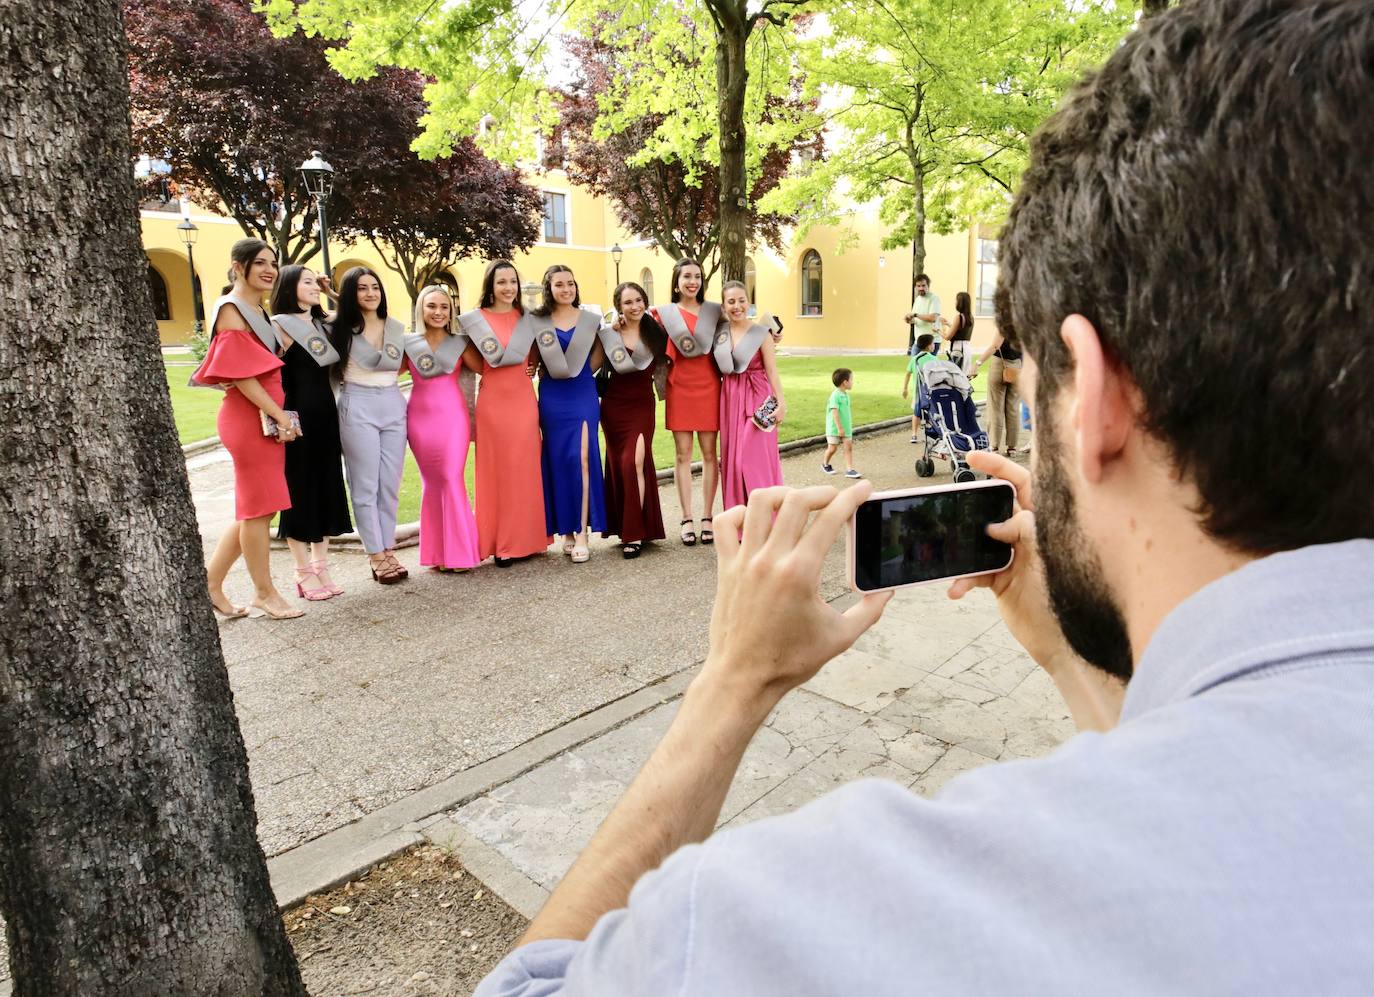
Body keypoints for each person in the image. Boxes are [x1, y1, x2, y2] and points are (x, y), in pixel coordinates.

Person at [473, 2, 1374, 993]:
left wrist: (731, 686)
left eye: (1027, 365)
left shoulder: (817, 914)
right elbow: (1221, 808)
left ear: (1097, 398)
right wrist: (1073, 665)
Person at [194, 239, 303, 621]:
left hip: (263, 417)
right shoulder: (231, 309)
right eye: (260, 263)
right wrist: (281, 415)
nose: (270, 270)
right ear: (238, 267)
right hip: (248, 418)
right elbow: (242, 377)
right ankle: (264, 592)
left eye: (273, 263)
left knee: (255, 509)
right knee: (259, 510)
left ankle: (210, 584)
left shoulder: (258, 309)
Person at [269, 265, 351, 601]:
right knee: (299, 489)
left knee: (326, 485)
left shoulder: (321, 324)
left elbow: (349, 317)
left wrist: (331, 293)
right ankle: (302, 572)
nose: (315, 287)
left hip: (325, 415)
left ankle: (322, 566)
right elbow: (269, 377)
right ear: (289, 286)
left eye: (316, 283)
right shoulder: (278, 326)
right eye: (308, 283)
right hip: (295, 417)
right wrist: (277, 421)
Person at [464, 260, 550, 567]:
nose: (508, 288)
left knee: (525, 469)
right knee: (496, 473)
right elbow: (470, 358)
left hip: (523, 401)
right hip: (493, 404)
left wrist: (535, 363)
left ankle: (528, 539)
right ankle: (501, 544)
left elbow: (539, 349)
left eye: (512, 281)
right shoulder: (476, 320)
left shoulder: (528, 318)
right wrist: (488, 370)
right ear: (491, 286)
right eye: (502, 282)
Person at [330, 267, 409, 584]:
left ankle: (388, 548)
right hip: (357, 403)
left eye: (374, 287)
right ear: (351, 294)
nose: (370, 293)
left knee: (389, 485)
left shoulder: (394, 327)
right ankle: (375, 555)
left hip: (392, 401)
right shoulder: (338, 329)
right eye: (361, 288)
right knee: (365, 485)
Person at [531, 265, 607, 563]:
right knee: (559, 461)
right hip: (552, 396)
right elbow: (534, 355)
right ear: (548, 288)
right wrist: (534, 367)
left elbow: (599, 354)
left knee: (584, 458)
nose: (566, 289)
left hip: (582, 393)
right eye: (559, 284)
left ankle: (583, 532)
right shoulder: (538, 321)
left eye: (570, 284)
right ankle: (567, 532)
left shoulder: (589, 320)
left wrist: (579, 374)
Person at [403, 285, 481, 572]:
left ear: (451, 311)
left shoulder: (460, 343)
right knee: (431, 483)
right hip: (419, 420)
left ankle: (460, 553)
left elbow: (489, 367)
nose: (438, 312)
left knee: (450, 477)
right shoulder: (408, 343)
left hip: (453, 419)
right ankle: (437, 554)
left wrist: (529, 366)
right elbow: (382, 369)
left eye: (444, 307)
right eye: (432, 306)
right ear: (421, 309)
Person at [652, 258, 722, 546]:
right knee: (683, 454)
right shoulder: (662, 314)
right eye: (687, 277)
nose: (692, 282)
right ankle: (686, 517)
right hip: (679, 386)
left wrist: (772, 334)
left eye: (697, 276)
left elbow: (742, 330)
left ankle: (707, 516)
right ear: (676, 281)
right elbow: (639, 336)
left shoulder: (715, 313)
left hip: (709, 386)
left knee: (709, 454)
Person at [598, 281, 667, 559]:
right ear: (619, 307)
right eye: (628, 302)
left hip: (641, 406)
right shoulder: (608, 334)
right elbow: (589, 366)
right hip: (613, 407)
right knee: (621, 465)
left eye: (638, 300)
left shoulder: (656, 333)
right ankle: (629, 527)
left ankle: (634, 531)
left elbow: (671, 364)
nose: (635, 306)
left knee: (635, 461)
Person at [715, 280, 784, 509]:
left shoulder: (761, 333)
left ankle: (766, 517)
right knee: (733, 459)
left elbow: (772, 370)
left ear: (749, 302)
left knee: (754, 458)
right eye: (731, 301)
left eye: (741, 300)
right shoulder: (719, 333)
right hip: (730, 396)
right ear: (724, 306)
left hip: (758, 395)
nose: (737, 306)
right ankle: (740, 518)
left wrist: (781, 403)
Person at [973, 332, 1022, 455]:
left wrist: (977, 364)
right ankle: (1012, 447)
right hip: (1017, 366)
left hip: (1000, 365)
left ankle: (994, 446)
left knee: (995, 408)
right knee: (1013, 409)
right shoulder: (1026, 322)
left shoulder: (1004, 324)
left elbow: (995, 346)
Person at [821, 367, 860, 478]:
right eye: (851, 379)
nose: (853, 382)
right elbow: (835, 413)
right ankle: (825, 464)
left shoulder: (846, 395)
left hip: (846, 427)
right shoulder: (835, 396)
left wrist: (845, 427)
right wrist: (839, 428)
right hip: (835, 428)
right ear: (845, 382)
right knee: (833, 448)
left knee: (848, 447)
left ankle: (849, 469)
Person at [901, 332, 938, 442]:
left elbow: (908, 373)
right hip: (930, 391)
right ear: (928, 345)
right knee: (931, 412)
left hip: (918, 392)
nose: (934, 346)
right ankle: (932, 434)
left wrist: (905, 388)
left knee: (916, 414)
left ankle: (914, 435)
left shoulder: (914, 359)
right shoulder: (934, 359)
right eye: (933, 344)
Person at [903, 272, 942, 354]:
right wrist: (909, 319)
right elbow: (916, 320)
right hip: (918, 341)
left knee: (928, 366)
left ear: (928, 285)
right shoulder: (917, 300)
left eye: (923, 285)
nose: (921, 288)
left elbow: (933, 318)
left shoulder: (934, 298)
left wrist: (916, 315)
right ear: (915, 287)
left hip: (931, 342)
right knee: (914, 365)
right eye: (918, 286)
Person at [943, 290, 975, 374]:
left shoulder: (959, 317)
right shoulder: (970, 317)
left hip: (958, 349)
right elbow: (961, 331)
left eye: (956, 300)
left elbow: (947, 337)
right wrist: (949, 324)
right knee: (964, 377)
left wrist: (937, 330)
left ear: (960, 303)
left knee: (955, 376)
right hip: (967, 349)